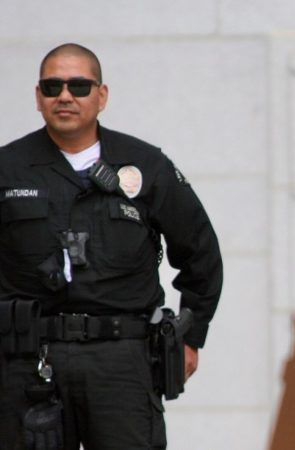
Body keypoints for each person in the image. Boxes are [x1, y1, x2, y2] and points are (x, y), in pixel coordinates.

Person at [0, 43, 223, 449]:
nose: (64, 96)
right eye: (52, 86)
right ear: (37, 97)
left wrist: (193, 334)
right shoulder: (8, 168)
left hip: (121, 360)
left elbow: (200, 251)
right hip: (27, 362)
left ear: (101, 96)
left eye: (79, 86)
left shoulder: (145, 164)